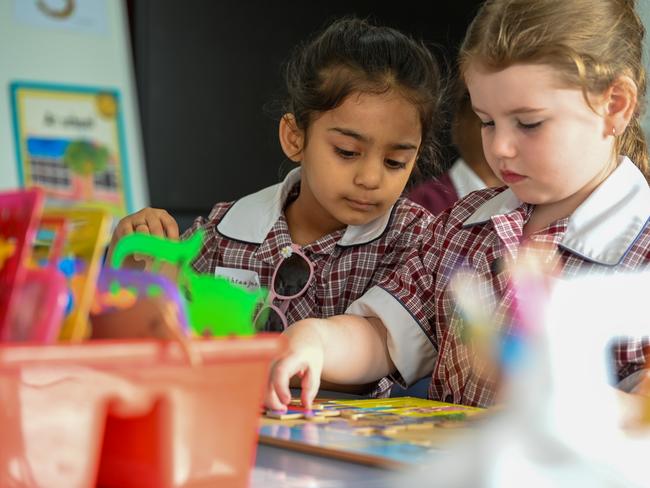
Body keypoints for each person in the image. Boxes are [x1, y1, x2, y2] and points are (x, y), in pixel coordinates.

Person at [265, 0, 650, 411]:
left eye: (529, 123)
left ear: (615, 106)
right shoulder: (464, 225)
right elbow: (384, 333)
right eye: (488, 121)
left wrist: (564, 396)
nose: (499, 147)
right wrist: (314, 340)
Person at [107, 17, 443, 385]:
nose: (371, 178)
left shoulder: (417, 244)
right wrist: (135, 265)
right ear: (295, 137)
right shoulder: (225, 232)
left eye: (395, 162)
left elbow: (383, 352)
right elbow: (152, 333)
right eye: (347, 152)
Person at [407, 83, 501, 214]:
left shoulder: (529, 202)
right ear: (459, 121)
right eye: (489, 123)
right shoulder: (420, 208)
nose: (504, 138)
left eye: (523, 123)